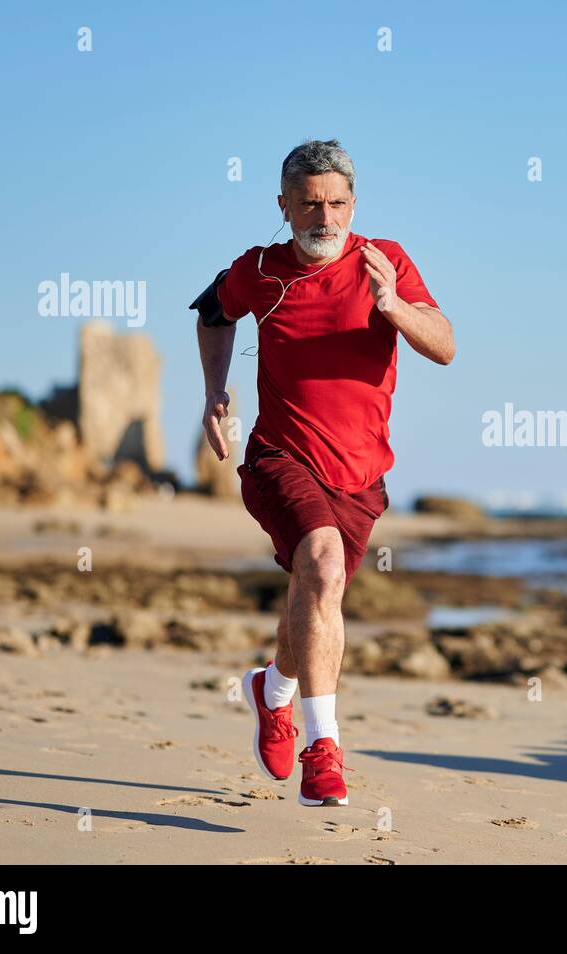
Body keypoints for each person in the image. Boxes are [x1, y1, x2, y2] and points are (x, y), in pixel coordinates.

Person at [193, 139, 455, 805]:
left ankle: (272, 689)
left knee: (317, 594)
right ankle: (324, 749)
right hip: (280, 456)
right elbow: (214, 311)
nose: (324, 216)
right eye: (309, 203)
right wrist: (214, 392)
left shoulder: (385, 261)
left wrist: (392, 305)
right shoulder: (260, 267)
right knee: (324, 565)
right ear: (283, 205)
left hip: (362, 477)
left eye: (336, 203)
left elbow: (446, 345)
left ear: (353, 205)